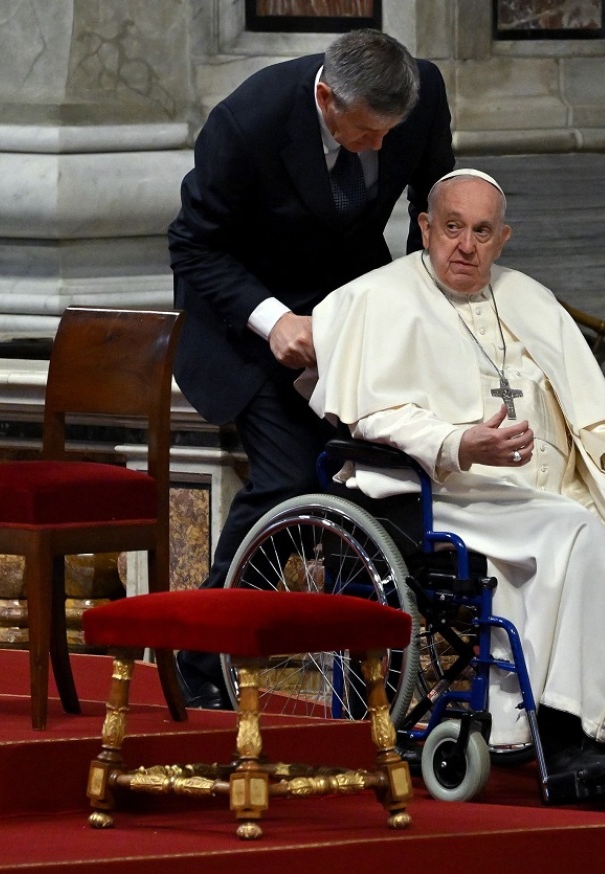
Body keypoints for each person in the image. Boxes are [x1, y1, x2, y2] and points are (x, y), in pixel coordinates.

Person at [307, 169, 605, 782]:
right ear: (424, 228)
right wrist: (459, 443)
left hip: (547, 490)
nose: (464, 246)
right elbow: (375, 418)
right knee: (574, 537)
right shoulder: (379, 299)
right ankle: (565, 735)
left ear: (502, 239)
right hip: (445, 495)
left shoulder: (528, 297)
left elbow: (592, 404)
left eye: (480, 232)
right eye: (451, 228)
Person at [168, 29, 455, 708]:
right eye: (364, 133)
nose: (380, 146)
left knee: (380, 478)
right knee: (291, 476)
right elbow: (193, 245)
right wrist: (274, 320)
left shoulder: (423, 92)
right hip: (246, 318)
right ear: (326, 97)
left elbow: (432, 204)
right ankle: (205, 661)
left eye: (391, 131)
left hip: (352, 312)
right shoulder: (248, 121)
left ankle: (362, 685)